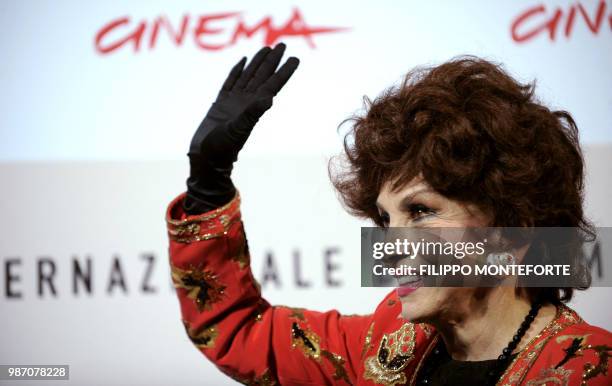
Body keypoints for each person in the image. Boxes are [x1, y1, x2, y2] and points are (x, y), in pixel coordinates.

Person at [166, 43, 612, 385]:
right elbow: (240, 331)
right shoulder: (389, 344)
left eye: (421, 211)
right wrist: (207, 183)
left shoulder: (591, 369)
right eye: (385, 220)